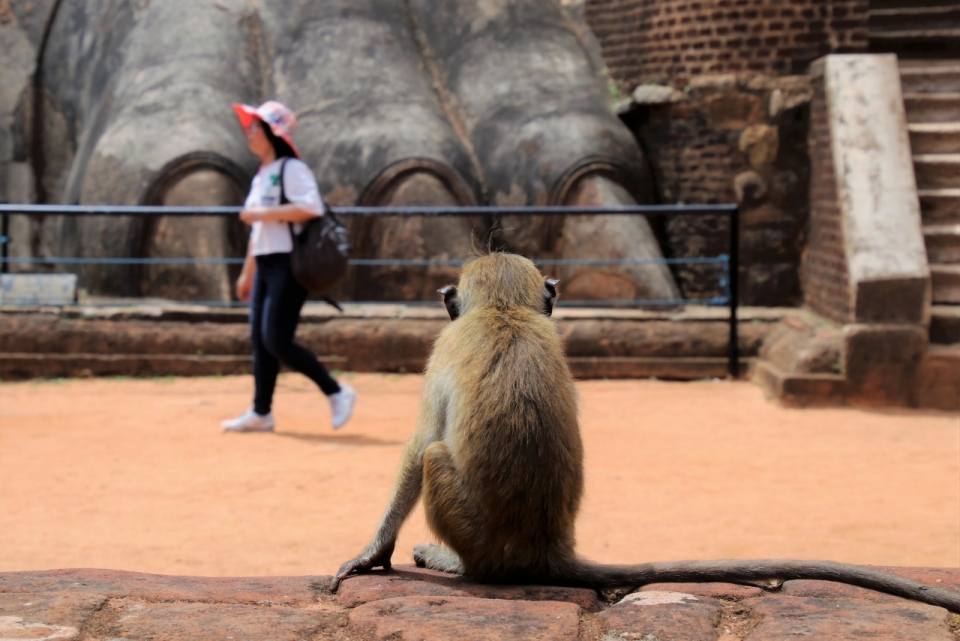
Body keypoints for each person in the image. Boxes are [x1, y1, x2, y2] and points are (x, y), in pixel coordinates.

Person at [221, 100, 356, 433]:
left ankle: (336, 391)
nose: (249, 133)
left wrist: (263, 214)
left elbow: (310, 207)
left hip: (288, 266)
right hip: (265, 263)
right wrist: (246, 272)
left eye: (255, 127)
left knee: (276, 340)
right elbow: (259, 231)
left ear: (271, 132)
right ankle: (261, 412)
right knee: (259, 339)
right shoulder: (262, 174)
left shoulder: (291, 169)